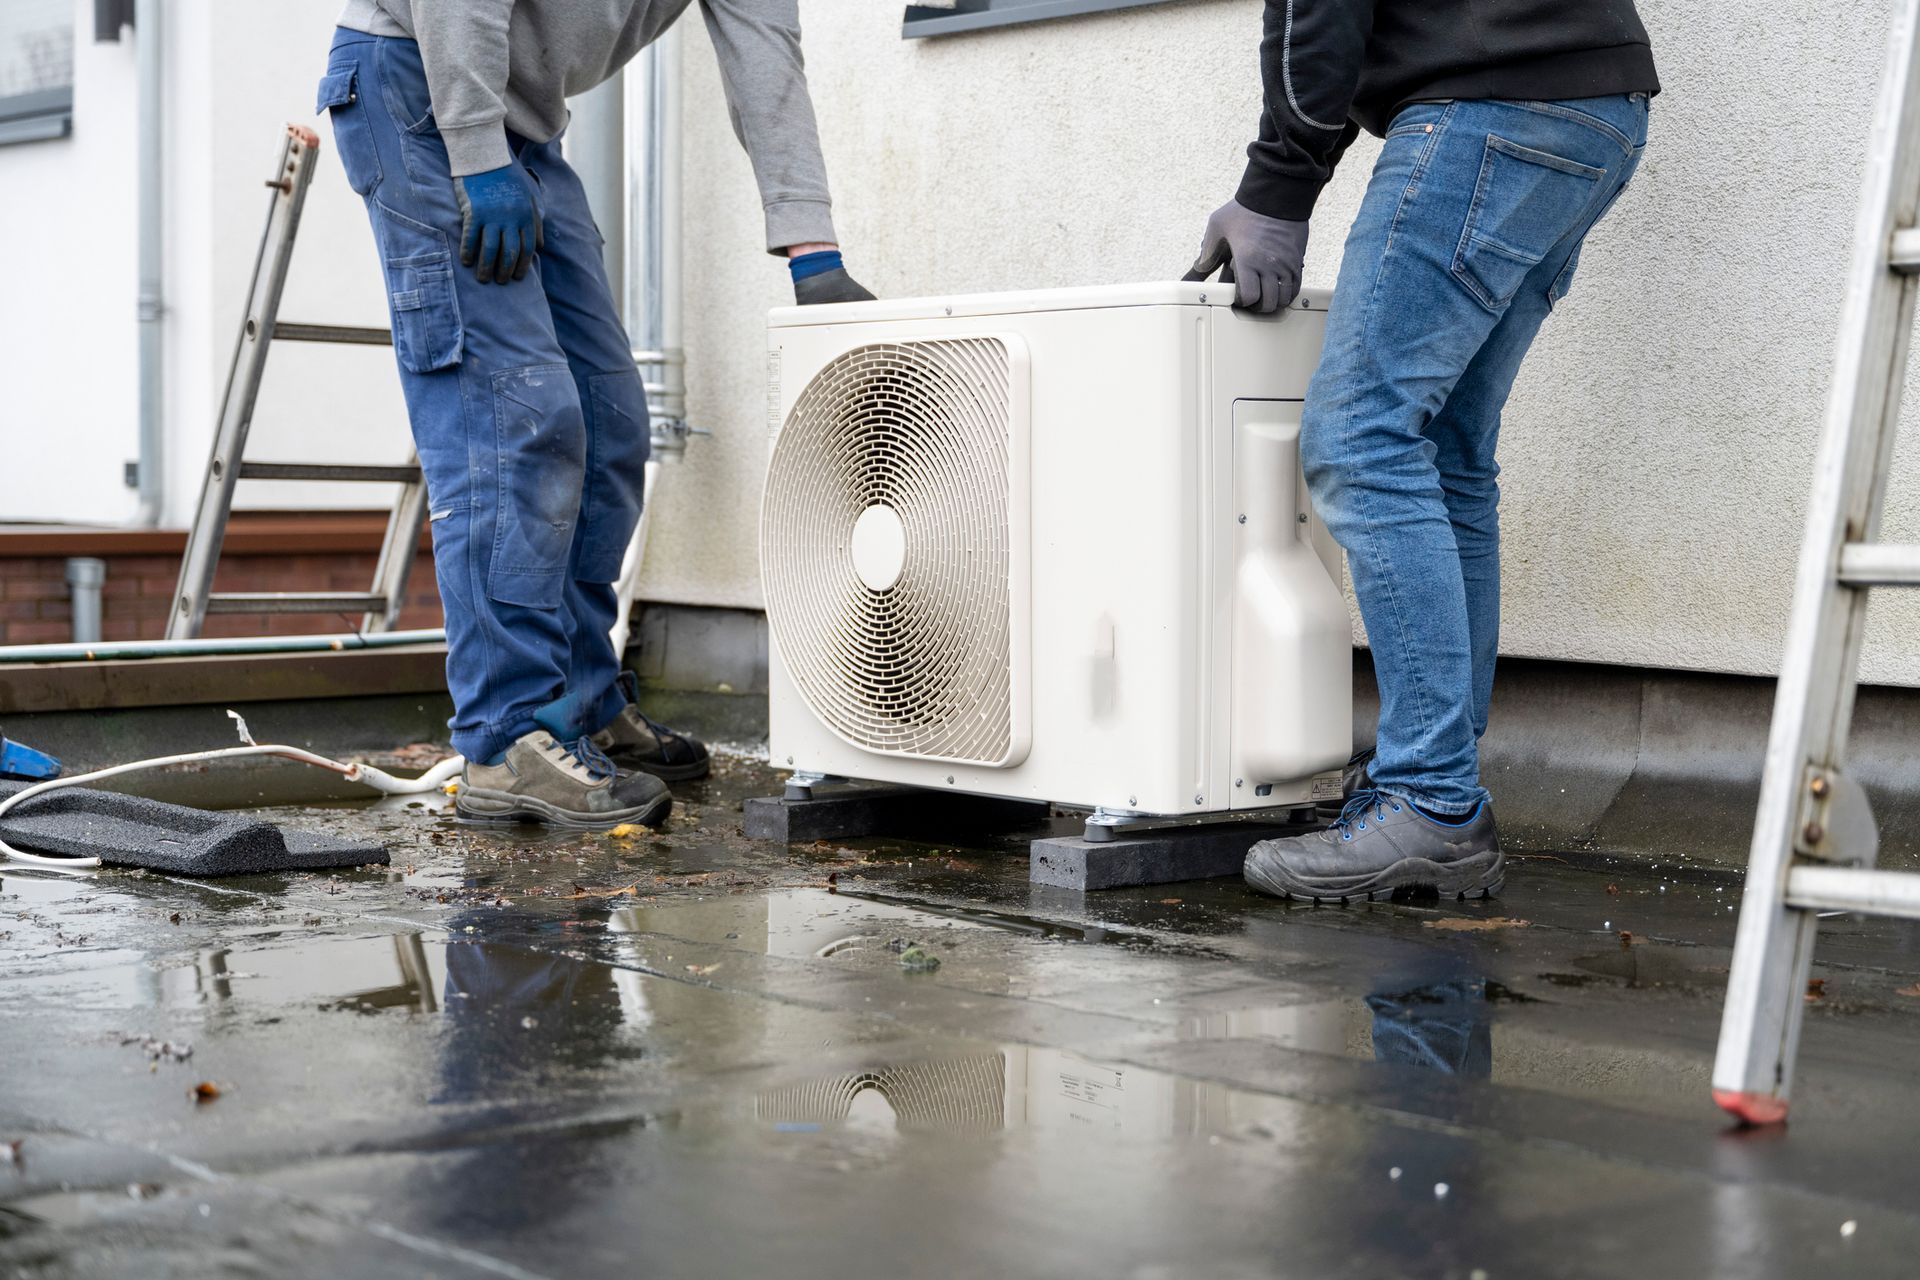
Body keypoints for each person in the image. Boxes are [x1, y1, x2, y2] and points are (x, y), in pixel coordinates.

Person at [319, 1, 871, 829]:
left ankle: (577, 700)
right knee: (515, 416)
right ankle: (508, 740)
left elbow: (766, 56)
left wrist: (813, 252)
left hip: (522, 124)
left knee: (610, 420)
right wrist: (473, 151)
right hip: (419, 82)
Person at [1185, 1, 1658, 900]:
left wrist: (1276, 187)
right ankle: (1437, 782)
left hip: (1491, 104)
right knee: (1444, 453)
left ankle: (1430, 798)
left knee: (1360, 438)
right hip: (1596, 108)